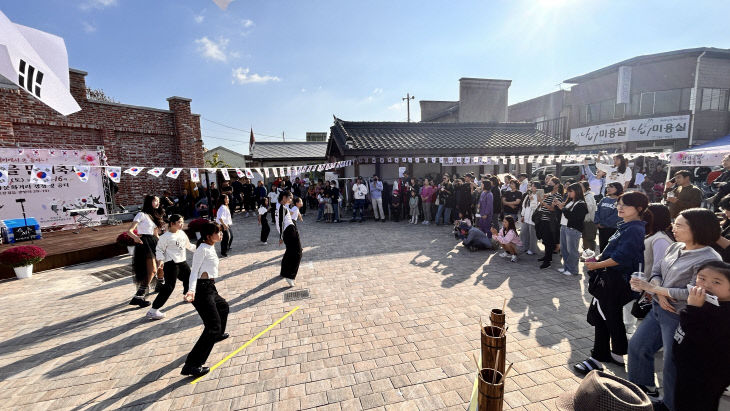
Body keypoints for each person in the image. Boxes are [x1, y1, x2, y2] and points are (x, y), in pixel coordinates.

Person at [627, 208, 721, 409]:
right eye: (674, 223)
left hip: (680, 316)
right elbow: (657, 269)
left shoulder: (710, 259)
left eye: (679, 225)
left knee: (672, 364)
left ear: (697, 228)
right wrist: (658, 292)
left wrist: (657, 289)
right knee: (638, 346)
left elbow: (695, 292)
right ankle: (641, 389)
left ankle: (670, 404)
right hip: (659, 307)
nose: (673, 228)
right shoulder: (675, 246)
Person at [574, 192, 648, 377]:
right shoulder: (626, 226)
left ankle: (597, 359)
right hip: (611, 280)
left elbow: (621, 257)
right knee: (607, 317)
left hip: (615, 282)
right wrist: (597, 259)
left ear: (639, 208)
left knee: (604, 317)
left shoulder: (633, 229)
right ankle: (616, 354)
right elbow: (613, 253)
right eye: (619, 204)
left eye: (625, 205)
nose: (620, 207)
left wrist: (596, 264)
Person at [673, 261, 730, 411]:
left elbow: (701, 338)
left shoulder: (723, 312)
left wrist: (693, 309)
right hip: (687, 370)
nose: (706, 285)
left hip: (707, 377)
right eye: (701, 278)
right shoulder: (705, 302)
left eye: (716, 282)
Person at [182, 222, 229, 378]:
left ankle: (217, 334)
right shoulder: (202, 249)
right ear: (209, 236)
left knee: (223, 307)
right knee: (212, 326)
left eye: (221, 232)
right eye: (218, 232)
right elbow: (194, 271)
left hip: (209, 287)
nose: (221, 234)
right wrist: (191, 291)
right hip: (201, 290)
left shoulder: (209, 245)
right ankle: (192, 365)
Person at [147, 214, 196, 319]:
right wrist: (160, 261)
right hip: (171, 263)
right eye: (179, 222)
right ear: (172, 223)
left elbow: (189, 245)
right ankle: (153, 310)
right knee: (169, 286)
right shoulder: (165, 237)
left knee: (189, 277)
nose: (181, 224)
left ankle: (187, 295)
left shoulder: (182, 233)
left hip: (182, 262)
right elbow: (159, 250)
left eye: (182, 222)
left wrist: (200, 250)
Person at [128, 195, 165, 307]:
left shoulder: (154, 215)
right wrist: (135, 237)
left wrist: (163, 245)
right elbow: (130, 230)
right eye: (155, 200)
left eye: (158, 201)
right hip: (145, 242)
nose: (157, 203)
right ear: (149, 202)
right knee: (152, 270)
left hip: (154, 241)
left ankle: (160, 284)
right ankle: (138, 296)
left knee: (161, 264)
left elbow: (155, 234)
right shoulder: (141, 214)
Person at [555, 182, 588, 276]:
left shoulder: (581, 204)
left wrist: (563, 208)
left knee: (572, 250)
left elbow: (574, 217)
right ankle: (566, 267)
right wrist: (559, 206)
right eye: (568, 191)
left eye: (571, 191)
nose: (568, 193)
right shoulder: (570, 201)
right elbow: (563, 214)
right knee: (564, 249)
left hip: (573, 229)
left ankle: (573, 270)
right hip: (564, 227)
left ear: (577, 191)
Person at [276, 190, 302, 287]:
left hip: (287, 231)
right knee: (298, 252)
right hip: (289, 230)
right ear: (284, 198)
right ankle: (290, 275)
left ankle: (284, 272)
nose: (291, 200)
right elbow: (280, 222)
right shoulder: (282, 208)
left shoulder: (280, 206)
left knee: (289, 251)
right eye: (289, 197)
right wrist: (281, 237)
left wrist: (281, 235)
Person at [536, 178, 562, 269]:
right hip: (543, 219)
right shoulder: (548, 195)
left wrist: (541, 201)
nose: (548, 185)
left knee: (549, 241)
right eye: (548, 183)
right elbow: (542, 205)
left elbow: (552, 209)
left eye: (551, 184)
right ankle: (547, 257)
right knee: (545, 240)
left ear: (556, 185)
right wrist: (542, 199)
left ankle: (548, 261)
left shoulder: (557, 196)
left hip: (550, 221)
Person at [595, 182, 623, 252]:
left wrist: (603, 224)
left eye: (611, 187)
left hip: (612, 228)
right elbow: (597, 211)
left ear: (618, 189)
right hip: (601, 228)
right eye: (607, 187)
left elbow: (616, 216)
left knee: (611, 249)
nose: (608, 189)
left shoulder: (620, 200)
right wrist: (597, 222)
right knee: (602, 248)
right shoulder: (604, 199)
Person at [520, 181, 540, 255]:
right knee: (523, 233)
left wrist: (531, 200)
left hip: (533, 219)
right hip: (526, 218)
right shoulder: (528, 195)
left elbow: (534, 207)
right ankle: (525, 247)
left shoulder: (538, 195)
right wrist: (522, 215)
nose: (532, 187)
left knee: (532, 235)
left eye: (533, 186)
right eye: (531, 186)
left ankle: (532, 249)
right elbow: (524, 206)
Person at [581, 181, 598, 254]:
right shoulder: (584, 195)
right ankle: (586, 255)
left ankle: (590, 257)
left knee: (589, 239)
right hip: (585, 221)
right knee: (585, 239)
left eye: (581, 186)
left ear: (586, 187)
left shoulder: (589, 196)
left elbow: (588, 209)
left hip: (589, 221)